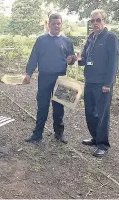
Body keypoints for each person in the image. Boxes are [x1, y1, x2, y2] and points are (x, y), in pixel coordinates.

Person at [23, 13, 76, 144]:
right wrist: (28, 73)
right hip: (44, 77)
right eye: (54, 23)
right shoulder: (41, 40)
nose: (56, 26)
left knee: (59, 107)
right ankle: (37, 134)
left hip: (61, 78)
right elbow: (33, 57)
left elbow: (71, 59)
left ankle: (59, 133)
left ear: (61, 24)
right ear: (49, 24)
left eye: (59, 23)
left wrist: (71, 60)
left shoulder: (67, 41)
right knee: (42, 106)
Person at [78, 9, 119, 157]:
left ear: (104, 21)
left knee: (102, 115)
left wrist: (108, 83)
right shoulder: (90, 38)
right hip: (89, 82)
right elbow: (83, 59)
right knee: (90, 113)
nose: (95, 23)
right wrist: (76, 59)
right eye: (93, 20)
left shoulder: (110, 37)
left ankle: (103, 144)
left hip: (103, 84)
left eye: (98, 20)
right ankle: (95, 138)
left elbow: (113, 62)